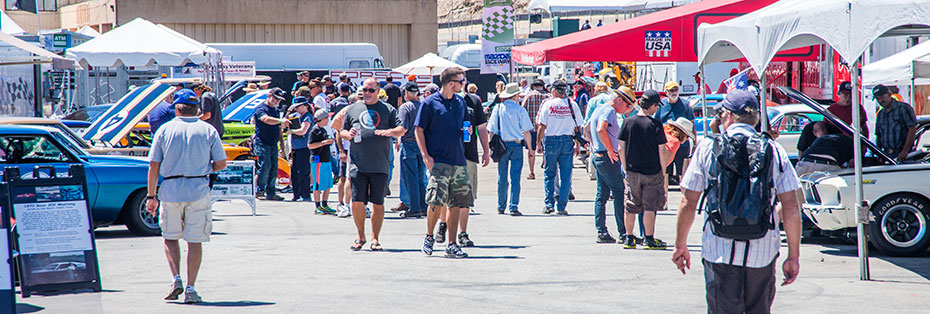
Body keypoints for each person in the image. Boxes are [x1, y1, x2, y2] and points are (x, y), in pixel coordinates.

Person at [672, 89, 802, 313]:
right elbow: (791, 206)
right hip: (762, 250)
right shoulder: (773, 149)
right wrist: (793, 256)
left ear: (728, 116)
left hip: (719, 249)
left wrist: (680, 245)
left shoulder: (707, 148)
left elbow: (688, 202)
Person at [146, 89, 227, 304]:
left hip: (171, 188)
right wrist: (202, 167)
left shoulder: (165, 129)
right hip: (198, 187)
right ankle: (191, 288)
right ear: (197, 108)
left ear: (177, 108)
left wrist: (151, 196)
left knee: (170, 237)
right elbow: (221, 163)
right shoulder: (208, 130)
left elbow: (154, 165)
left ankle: (176, 278)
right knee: (195, 240)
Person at [340, 78, 405, 251]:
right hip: (357, 164)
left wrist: (389, 132)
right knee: (357, 201)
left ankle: (375, 238)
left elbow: (401, 129)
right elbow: (342, 130)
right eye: (364, 90)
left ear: (378, 92)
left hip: (379, 164)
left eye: (370, 90)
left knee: (378, 202)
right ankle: (360, 235)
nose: (366, 94)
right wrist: (348, 135)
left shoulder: (388, 109)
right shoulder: (352, 109)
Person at [416, 67, 473, 259]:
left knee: (456, 202)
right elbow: (419, 130)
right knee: (435, 201)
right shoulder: (429, 103)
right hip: (438, 161)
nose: (463, 84)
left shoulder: (460, 102)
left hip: (458, 159)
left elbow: (464, 125)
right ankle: (429, 236)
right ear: (451, 83)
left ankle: (451, 244)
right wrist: (425, 155)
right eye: (461, 81)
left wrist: (468, 131)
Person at [618, 90, 674, 250]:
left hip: (632, 171)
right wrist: (663, 173)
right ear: (653, 105)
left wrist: (625, 168)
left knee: (631, 205)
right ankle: (649, 239)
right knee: (649, 206)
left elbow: (621, 148)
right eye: (657, 106)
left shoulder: (628, 122)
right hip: (652, 171)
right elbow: (662, 151)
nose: (657, 109)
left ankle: (629, 238)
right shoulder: (655, 125)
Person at [585, 87, 636, 244]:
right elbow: (601, 129)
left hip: (599, 156)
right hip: (607, 158)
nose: (626, 110)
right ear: (619, 100)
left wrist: (596, 148)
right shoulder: (609, 110)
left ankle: (602, 231)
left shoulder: (598, 109)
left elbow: (587, 129)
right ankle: (623, 232)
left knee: (602, 195)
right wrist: (609, 150)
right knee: (619, 193)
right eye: (627, 106)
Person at [446, 79, 490, 247]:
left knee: (465, 198)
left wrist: (486, 150)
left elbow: (481, 127)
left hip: (468, 155)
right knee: (445, 198)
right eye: (457, 80)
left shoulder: (473, 100)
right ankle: (444, 226)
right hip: (446, 156)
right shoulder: (442, 100)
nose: (460, 83)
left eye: (462, 80)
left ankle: (462, 233)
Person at [536, 80, 582, 216]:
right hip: (567, 140)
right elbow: (578, 126)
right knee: (566, 175)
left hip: (551, 140)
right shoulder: (572, 104)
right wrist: (578, 144)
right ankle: (562, 206)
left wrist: (538, 143)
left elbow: (541, 125)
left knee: (550, 173)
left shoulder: (548, 104)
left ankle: (549, 205)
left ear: (554, 91)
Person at [488, 83, 533, 216]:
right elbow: (526, 132)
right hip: (517, 145)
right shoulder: (520, 110)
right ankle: (513, 206)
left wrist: (490, 147)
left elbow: (492, 131)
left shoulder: (498, 108)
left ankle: (501, 206)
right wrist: (530, 149)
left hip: (501, 145)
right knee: (515, 177)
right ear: (516, 95)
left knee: (502, 177)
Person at [397, 81, 428, 218]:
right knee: (421, 177)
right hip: (422, 143)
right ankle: (423, 206)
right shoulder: (423, 106)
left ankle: (415, 207)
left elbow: (402, 128)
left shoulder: (405, 107)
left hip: (409, 143)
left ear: (407, 93)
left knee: (411, 177)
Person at [654, 81, 695, 186]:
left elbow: (692, 124)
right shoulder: (661, 105)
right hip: (666, 143)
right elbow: (656, 124)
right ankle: (664, 197)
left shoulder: (686, 104)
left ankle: (684, 196)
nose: (674, 92)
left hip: (682, 143)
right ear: (666, 92)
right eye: (671, 90)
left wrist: (694, 143)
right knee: (665, 171)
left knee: (683, 171)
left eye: (676, 89)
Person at [253, 88, 290, 201]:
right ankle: (260, 190)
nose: (277, 101)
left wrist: (282, 145)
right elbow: (265, 119)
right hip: (262, 143)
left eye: (279, 100)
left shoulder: (275, 110)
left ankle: (271, 192)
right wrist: (280, 121)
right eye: (275, 98)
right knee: (265, 166)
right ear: (269, 95)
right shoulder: (261, 108)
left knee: (274, 168)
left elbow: (278, 128)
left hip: (273, 143)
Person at [874, 84, 917, 162]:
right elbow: (879, 136)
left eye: (882, 97)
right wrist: (879, 154)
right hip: (886, 154)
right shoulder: (880, 114)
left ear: (889, 94)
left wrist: (905, 151)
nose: (880, 101)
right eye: (877, 99)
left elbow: (912, 129)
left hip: (902, 154)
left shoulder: (903, 108)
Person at [330, 84, 355, 218]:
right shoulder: (345, 112)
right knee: (343, 177)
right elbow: (337, 131)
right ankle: (341, 203)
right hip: (346, 149)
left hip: (359, 150)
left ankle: (359, 204)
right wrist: (341, 151)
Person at [309, 109, 336, 214]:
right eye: (327, 118)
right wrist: (324, 142)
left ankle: (324, 204)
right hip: (318, 160)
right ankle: (317, 206)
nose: (328, 120)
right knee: (318, 184)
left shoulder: (323, 129)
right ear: (322, 119)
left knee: (328, 183)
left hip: (326, 159)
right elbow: (310, 145)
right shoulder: (314, 130)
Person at [288, 97, 314, 202]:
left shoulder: (308, 117)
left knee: (303, 172)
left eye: (298, 107)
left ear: (305, 106)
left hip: (304, 148)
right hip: (296, 148)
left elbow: (303, 131)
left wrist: (292, 132)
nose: (296, 109)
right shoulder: (297, 116)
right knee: (295, 172)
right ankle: (296, 194)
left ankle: (305, 194)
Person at [521, 79, 548, 180]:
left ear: (533, 86)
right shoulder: (548, 97)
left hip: (531, 128)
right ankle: (546, 168)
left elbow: (522, 111)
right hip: (545, 128)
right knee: (546, 150)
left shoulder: (528, 96)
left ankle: (531, 172)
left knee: (531, 151)